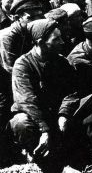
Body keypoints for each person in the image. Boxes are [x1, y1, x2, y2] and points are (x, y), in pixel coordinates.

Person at [9, 19, 80, 173]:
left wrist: (64, 114)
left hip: (56, 115)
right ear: (41, 42)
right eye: (56, 39)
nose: (62, 42)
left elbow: (71, 92)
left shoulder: (61, 62)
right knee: (20, 122)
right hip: (37, 117)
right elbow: (27, 101)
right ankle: (40, 158)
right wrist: (44, 129)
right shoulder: (23, 65)